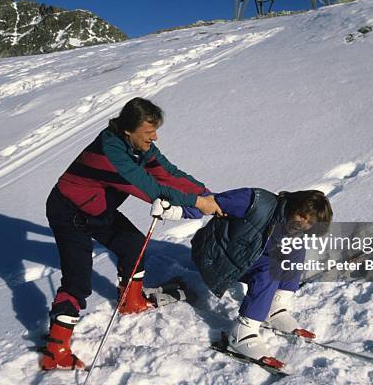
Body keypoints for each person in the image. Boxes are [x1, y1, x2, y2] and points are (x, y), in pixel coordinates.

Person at [40, 97, 222, 370]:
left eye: (155, 130)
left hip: (99, 209)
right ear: (128, 130)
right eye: (149, 133)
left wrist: (206, 193)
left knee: (134, 245)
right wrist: (198, 203)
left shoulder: (139, 147)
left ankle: (131, 300)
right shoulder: (111, 154)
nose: (155, 137)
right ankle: (56, 351)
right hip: (69, 213)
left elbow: (167, 173)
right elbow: (152, 189)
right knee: (77, 280)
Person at [157, 187, 332, 366]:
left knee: (296, 248)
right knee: (269, 269)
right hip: (214, 255)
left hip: (244, 259)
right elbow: (210, 202)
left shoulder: (295, 229)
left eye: (310, 223)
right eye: (303, 215)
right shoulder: (257, 202)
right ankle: (242, 332)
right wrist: (177, 210)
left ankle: (275, 306)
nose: (303, 223)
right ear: (295, 204)